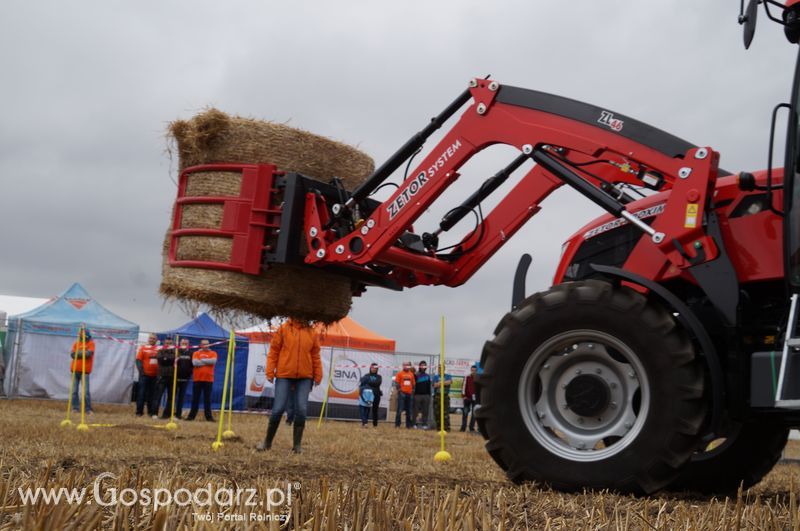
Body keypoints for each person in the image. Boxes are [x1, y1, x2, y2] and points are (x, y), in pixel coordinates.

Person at [257, 318, 322, 453]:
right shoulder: (283, 329)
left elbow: (315, 355)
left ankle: (297, 446)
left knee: (302, 410)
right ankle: (267, 442)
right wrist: (270, 370)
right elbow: (274, 351)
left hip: (305, 377)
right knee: (278, 409)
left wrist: (318, 374)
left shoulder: (311, 332)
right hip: (284, 375)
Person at [187, 339, 216, 421]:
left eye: (207, 344)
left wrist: (201, 360)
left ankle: (209, 417)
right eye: (204, 344)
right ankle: (191, 416)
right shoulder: (196, 353)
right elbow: (195, 363)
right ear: (200, 345)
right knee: (195, 398)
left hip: (208, 379)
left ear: (209, 345)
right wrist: (207, 362)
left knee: (207, 399)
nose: (205, 346)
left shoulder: (213, 353)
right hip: (197, 379)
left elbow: (213, 361)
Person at [69, 329, 95, 414]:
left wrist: (78, 353)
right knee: (74, 391)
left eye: (86, 337)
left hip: (85, 371)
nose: (84, 338)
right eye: (82, 337)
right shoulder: (76, 343)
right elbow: (72, 355)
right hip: (74, 370)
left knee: (86, 392)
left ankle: (88, 409)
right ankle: (75, 408)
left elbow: (89, 354)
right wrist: (82, 352)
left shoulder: (91, 343)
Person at [135, 334, 159, 417]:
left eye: (154, 338)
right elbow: (138, 360)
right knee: (141, 394)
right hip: (144, 376)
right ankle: (139, 412)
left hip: (155, 376)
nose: (152, 339)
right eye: (151, 338)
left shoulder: (159, 349)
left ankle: (151, 412)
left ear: (157, 340)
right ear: (148, 339)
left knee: (152, 395)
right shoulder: (143, 348)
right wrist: (141, 372)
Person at [156, 337, 176, 419]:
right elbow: (160, 360)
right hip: (162, 375)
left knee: (171, 397)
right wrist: (169, 359)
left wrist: (166, 358)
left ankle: (166, 414)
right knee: (158, 395)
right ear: (164, 343)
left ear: (172, 344)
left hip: (172, 376)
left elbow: (173, 359)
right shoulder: (160, 350)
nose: (168, 345)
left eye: (170, 343)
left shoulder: (175, 351)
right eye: (167, 343)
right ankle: (154, 413)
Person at [174, 338, 194, 419]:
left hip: (185, 378)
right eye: (183, 343)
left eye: (186, 343)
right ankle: (169, 413)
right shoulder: (176, 351)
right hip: (175, 377)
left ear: (188, 344)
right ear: (180, 343)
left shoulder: (191, 353)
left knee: (181, 397)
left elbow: (193, 365)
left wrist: (189, 372)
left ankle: (178, 414)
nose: (184, 344)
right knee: (172, 396)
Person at [394, 362, 415, 429]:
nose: (406, 366)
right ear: (403, 366)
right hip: (402, 393)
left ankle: (408, 425)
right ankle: (397, 424)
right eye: (405, 365)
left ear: (409, 366)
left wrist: (412, 390)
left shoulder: (411, 374)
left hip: (409, 394)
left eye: (408, 365)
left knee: (409, 410)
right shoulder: (399, 373)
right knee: (399, 410)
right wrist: (399, 390)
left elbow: (413, 383)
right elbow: (396, 382)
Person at [433, 367, 453, 432]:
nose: (440, 370)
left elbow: (449, 382)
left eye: (442, 368)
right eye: (439, 368)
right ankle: (439, 428)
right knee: (437, 413)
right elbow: (434, 385)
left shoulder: (448, 376)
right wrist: (444, 383)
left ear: (444, 369)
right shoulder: (435, 377)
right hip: (437, 396)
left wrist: (440, 383)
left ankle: (446, 428)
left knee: (445, 413)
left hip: (445, 396)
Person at [413, 360, 432, 429]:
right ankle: (414, 424)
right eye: (422, 365)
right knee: (415, 411)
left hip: (426, 396)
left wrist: (429, 395)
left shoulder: (427, 376)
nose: (423, 366)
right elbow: (413, 385)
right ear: (419, 366)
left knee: (425, 411)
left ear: (426, 367)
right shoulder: (416, 375)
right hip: (417, 395)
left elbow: (429, 386)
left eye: (424, 365)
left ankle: (424, 424)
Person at [461, 364, 479, 432]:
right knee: (465, 413)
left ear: (476, 371)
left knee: (474, 414)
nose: (473, 372)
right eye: (472, 370)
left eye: (474, 371)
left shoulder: (478, 378)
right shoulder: (466, 377)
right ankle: (463, 428)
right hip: (467, 398)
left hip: (475, 399)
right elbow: (463, 387)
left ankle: (471, 428)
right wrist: (464, 396)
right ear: (470, 370)